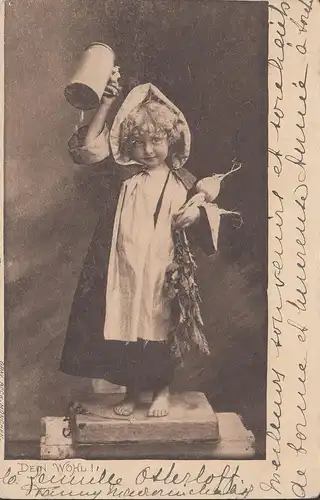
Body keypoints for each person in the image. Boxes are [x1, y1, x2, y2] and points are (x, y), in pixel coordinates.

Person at [60, 70, 216, 417]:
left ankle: (161, 390)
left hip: (163, 268)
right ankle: (131, 392)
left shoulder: (183, 180)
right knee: (126, 323)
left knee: (158, 324)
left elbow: (208, 210)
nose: (148, 151)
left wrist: (197, 216)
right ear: (127, 144)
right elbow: (85, 149)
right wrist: (107, 103)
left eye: (156, 141)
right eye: (139, 143)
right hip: (126, 265)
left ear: (171, 140)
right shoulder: (125, 177)